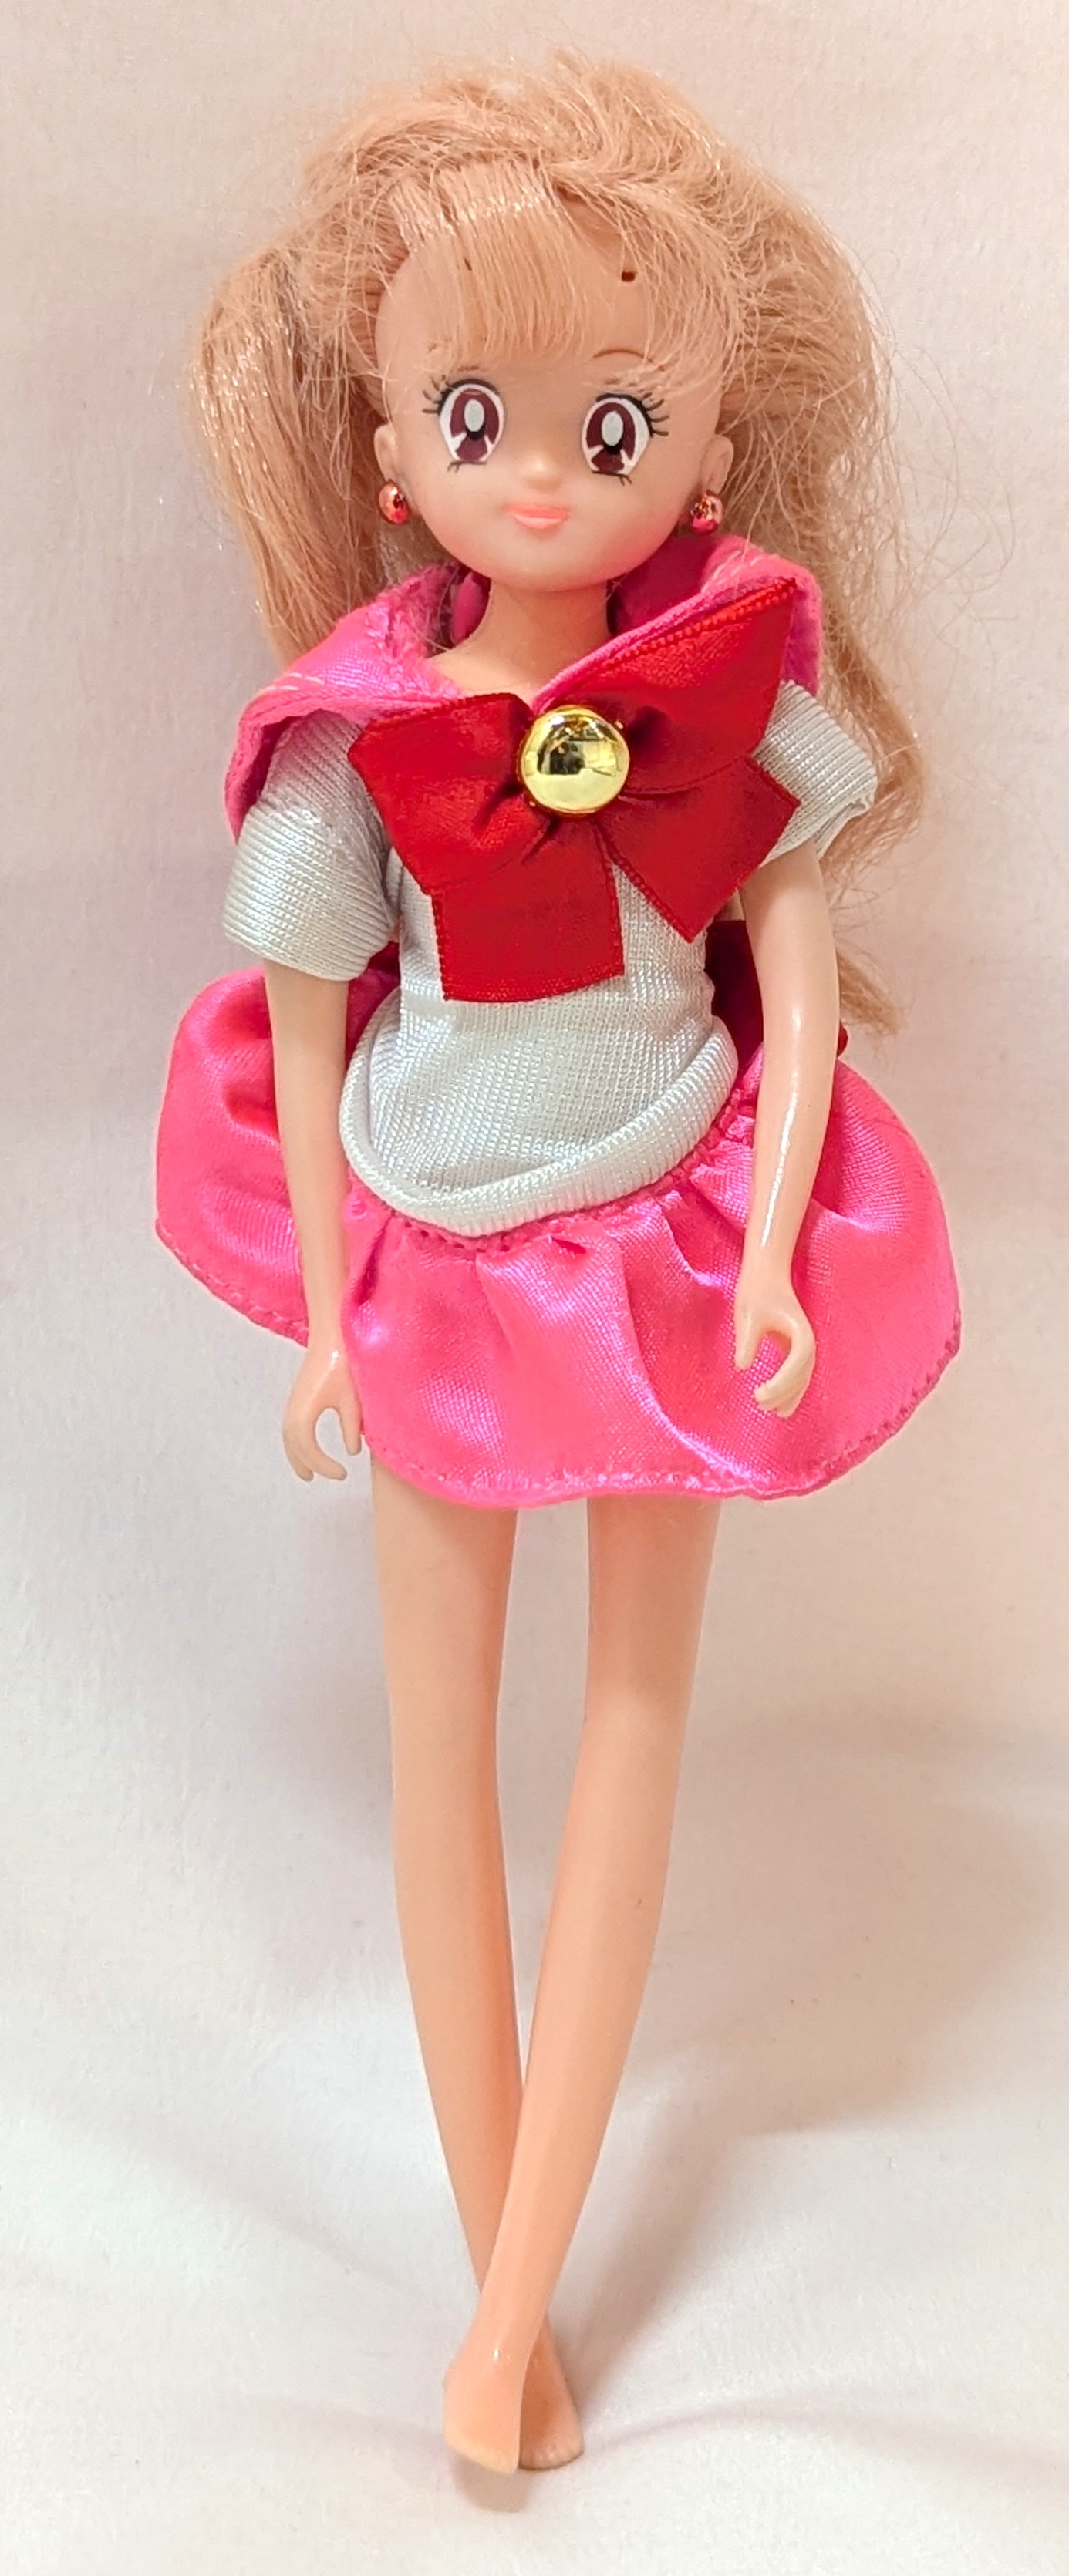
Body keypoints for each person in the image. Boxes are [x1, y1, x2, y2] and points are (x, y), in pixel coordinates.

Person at [156, 52, 960, 2474]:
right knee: (440, 1756)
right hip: (434, 1242)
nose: (538, 477)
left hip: (675, 1223)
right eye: (474, 415)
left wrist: (777, 1248)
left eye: (609, 424)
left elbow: (788, 981)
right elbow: (312, 1029)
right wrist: (326, 1306)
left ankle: (504, 2312)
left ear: (702, 453)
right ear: (390, 454)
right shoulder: (359, 738)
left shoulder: (732, 694)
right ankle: (502, 2298)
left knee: (629, 1730)